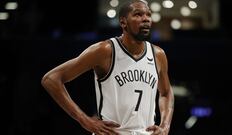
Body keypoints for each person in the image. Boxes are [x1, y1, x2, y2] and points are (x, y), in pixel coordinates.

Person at [41, 0, 174, 134]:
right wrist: (85, 120)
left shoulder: (158, 54)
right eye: (138, 14)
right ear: (123, 22)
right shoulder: (105, 50)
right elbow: (51, 79)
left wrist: (165, 125)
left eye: (148, 15)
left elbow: (166, 93)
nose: (145, 19)